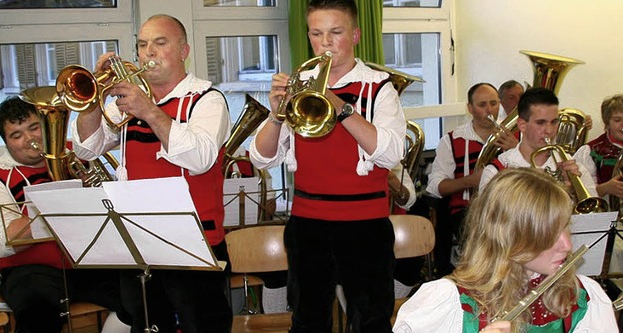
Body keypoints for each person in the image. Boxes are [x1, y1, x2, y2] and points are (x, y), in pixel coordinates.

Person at [249, 0, 406, 331]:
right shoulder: (299, 83)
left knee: (371, 321)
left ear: (356, 35)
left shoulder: (379, 86)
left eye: (336, 32)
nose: (326, 43)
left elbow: (391, 154)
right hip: (308, 224)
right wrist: (277, 114)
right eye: (317, 34)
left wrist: (341, 107)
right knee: (307, 320)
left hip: (365, 225)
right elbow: (261, 158)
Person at [71, 14, 232, 332]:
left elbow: (199, 159)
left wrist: (148, 109)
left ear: (183, 51)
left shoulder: (207, 100)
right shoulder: (128, 103)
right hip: (139, 240)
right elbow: (86, 149)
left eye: (160, 43)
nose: (149, 53)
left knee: (202, 325)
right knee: (147, 325)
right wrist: (92, 100)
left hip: (195, 241)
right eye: (142, 45)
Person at [394, 167, 617, 332]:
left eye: (565, 228)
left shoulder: (583, 297)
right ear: (510, 237)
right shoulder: (450, 302)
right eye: (549, 234)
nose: (567, 246)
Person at [0, 97, 129, 333]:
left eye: (34, 128)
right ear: (6, 144)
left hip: (90, 263)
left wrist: (96, 193)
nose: (29, 139)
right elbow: (1, 243)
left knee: (141, 294)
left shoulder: (77, 155)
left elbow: (114, 208)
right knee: (38, 310)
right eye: (17, 135)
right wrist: (52, 205)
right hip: (31, 270)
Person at [426, 83, 516, 277]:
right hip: (468, 211)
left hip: (509, 208)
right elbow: (434, 187)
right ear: (470, 108)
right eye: (482, 105)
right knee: (485, 246)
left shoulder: (513, 137)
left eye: (493, 103)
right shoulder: (452, 140)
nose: (489, 109)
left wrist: (516, 152)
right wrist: (470, 181)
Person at [479, 88, 598, 199]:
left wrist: (573, 191)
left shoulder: (574, 167)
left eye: (554, 122)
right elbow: (487, 218)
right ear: (522, 125)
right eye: (541, 123)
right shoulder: (495, 171)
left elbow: (594, 217)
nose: (549, 130)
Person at [588, 94, 623, 200]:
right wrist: (605, 188)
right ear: (607, 123)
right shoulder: (592, 151)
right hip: (606, 214)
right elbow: (579, 193)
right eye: (617, 120)